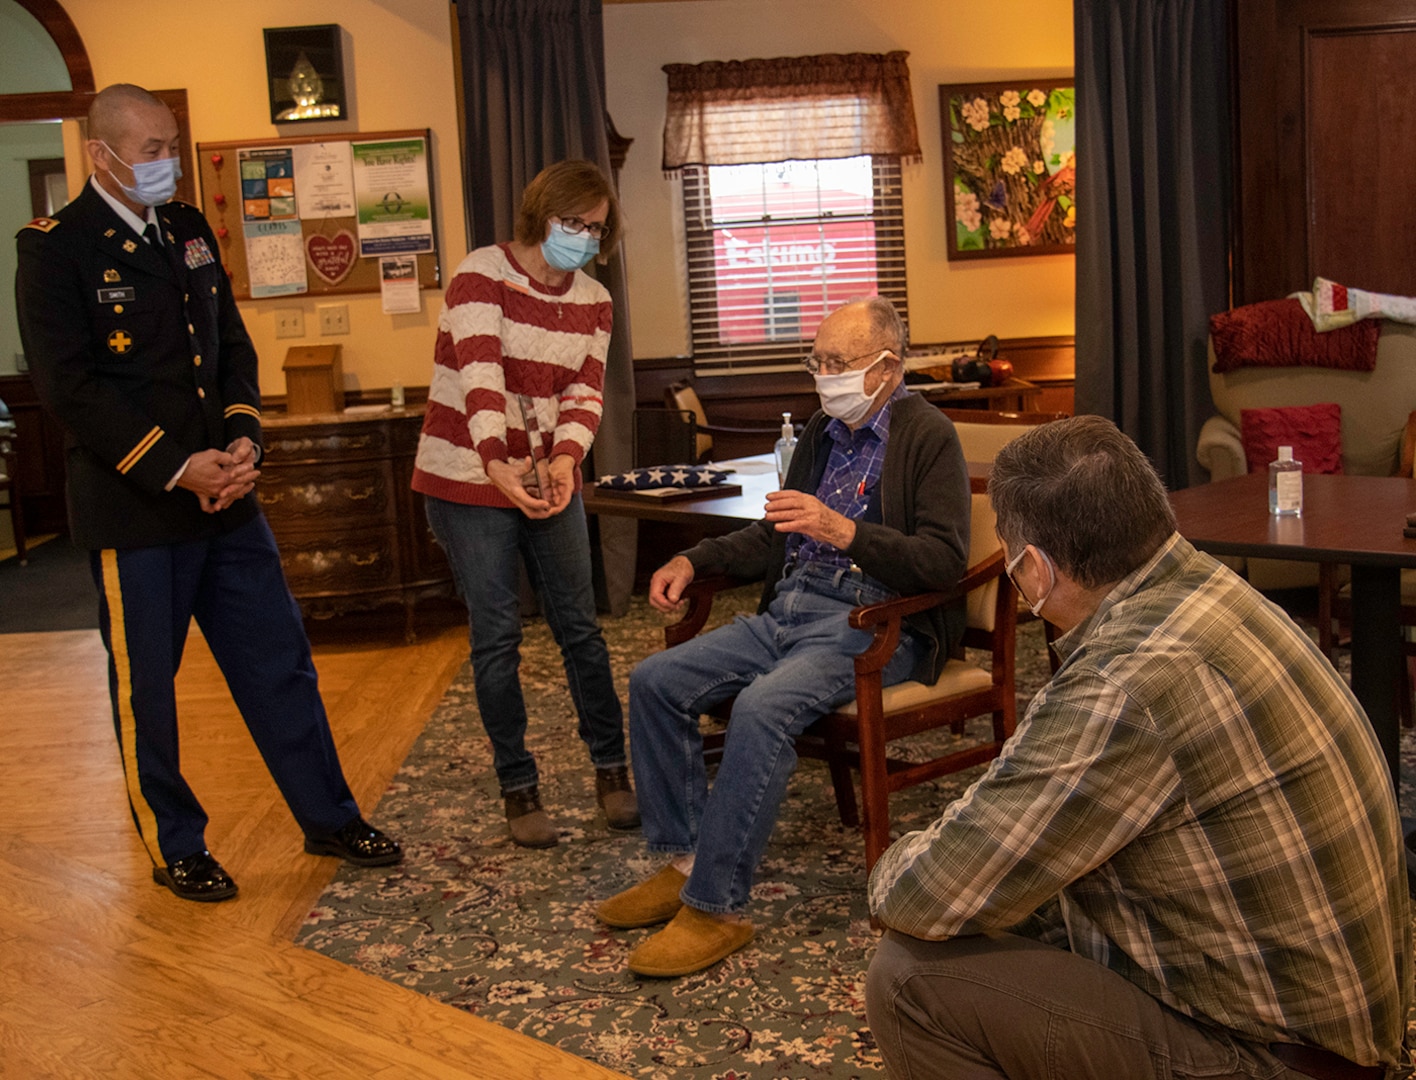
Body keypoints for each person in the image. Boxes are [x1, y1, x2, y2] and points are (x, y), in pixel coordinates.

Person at [867, 415, 1412, 1080]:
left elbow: (928, 893)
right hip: (1332, 1026)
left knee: (907, 980)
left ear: (1032, 570)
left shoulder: (1124, 681)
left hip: (1278, 1059)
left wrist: (892, 865)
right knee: (1008, 911)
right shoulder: (1206, 588)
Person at [13, 84, 401, 903]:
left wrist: (241, 441)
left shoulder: (188, 231)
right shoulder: (56, 247)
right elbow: (69, 389)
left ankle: (327, 816)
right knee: (148, 690)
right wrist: (175, 466)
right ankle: (176, 843)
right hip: (139, 508)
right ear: (101, 155)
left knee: (280, 664)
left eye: (170, 145)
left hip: (229, 502)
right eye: (150, 150)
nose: (166, 163)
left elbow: (229, 346)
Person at [596, 296, 972, 977]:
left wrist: (844, 531)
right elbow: (774, 533)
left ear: (888, 365)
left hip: (874, 621)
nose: (823, 376)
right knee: (656, 681)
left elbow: (945, 562)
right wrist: (695, 560)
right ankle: (684, 864)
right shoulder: (825, 435)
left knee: (764, 707)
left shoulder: (928, 435)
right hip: (792, 609)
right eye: (817, 362)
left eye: (838, 363)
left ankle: (717, 907)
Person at [411, 159, 639, 848]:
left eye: (596, 229)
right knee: (497, 636)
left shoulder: (595, 301)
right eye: (573, 222)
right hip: (466, 473)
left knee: (581, 626)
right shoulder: (483, 273)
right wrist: (497, 466)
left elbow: (585, 391)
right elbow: (481, 378)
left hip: (545, 471)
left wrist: (566, 461)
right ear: (542, 215)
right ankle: (518, 785)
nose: (583, 237)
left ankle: (611, 769)